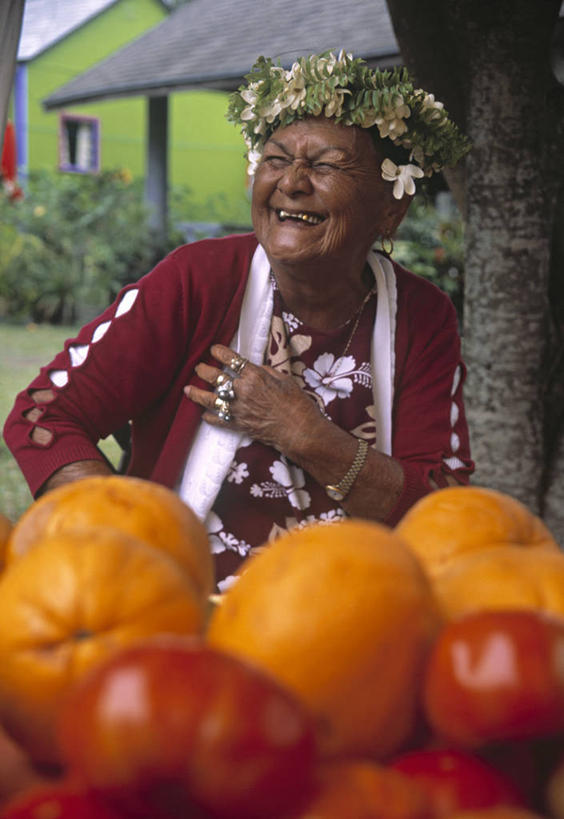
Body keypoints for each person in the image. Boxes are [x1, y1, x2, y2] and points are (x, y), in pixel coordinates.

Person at [4, 51, 473, 590]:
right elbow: (45, 417)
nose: (292, 182)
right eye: (275, 159)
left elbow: (442, 509)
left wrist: (303, 432)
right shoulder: (198, 280)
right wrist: (127, 544)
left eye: (324, 166)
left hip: (355, 612)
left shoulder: (422, 316)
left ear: (392, 208)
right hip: (185, 599)